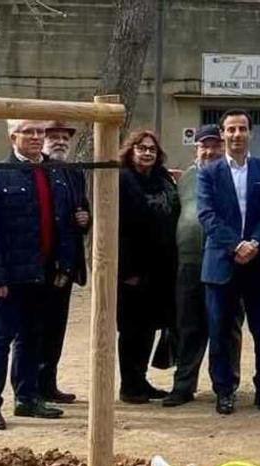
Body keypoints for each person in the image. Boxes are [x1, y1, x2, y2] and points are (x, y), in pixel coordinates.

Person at [198, 110, 260, 415]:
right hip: (221, 263)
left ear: (251, 133)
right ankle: (224, 391)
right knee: (219, 332)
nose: (236, 134)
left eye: (242, 128)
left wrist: (255, 242)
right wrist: (235, 245)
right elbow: (207, 215)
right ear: (222, 134)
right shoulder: (209, 173)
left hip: (257, 264)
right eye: (230, 129)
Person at [0, 119, 78, 427]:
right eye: (28, 131)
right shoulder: (0, 173)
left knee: (32, 338)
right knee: (0, 339)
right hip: (12, 275)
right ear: (12, 136)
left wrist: (65, 266)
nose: (35, 137)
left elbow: (65, 223)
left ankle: (28, 399)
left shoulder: (55, 172)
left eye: (39, 132)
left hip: (44, 274)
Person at [166, 125, 242, 407]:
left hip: (224, 261)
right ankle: (184, 385)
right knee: (187, 326)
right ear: (196, 149)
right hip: (188, 262)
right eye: (203, 146)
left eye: (215, 146)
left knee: (226, 326)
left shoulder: (234, 176)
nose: (209, 151)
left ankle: (226, 387)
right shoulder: (185, 178)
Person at [116, 130, 180, 404]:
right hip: (133, 270)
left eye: (152, 149)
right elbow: (116, 227)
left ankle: (141, 380)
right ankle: (129, 385)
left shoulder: (163, 178)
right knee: (132, 329)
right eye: (141, 148)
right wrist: (126, 271)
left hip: (162, 269)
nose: (147, 153)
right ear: (130, 151)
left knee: (150, 327)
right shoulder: (121, 180)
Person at [39, 120, 89, 405]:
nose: (59, 141)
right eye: (53, 137)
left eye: (64, 137)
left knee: (56, 329)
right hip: (41, 264)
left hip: (66, 266)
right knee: (34, 330)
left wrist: (85, 219)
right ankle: (30, 387)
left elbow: (82, 210)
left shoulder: (73, 172)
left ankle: (48, 383)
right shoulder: (37, 170)